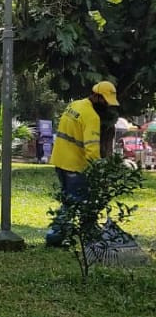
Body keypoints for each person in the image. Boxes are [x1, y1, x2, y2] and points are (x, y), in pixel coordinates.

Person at [45, 81, 119, 247]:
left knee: (70, 201)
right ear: (97, 96)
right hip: (74, 166)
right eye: (105, 101)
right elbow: (91, 148)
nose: (107, 106)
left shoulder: (75, 105)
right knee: (74, 202)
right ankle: (56, 237)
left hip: (60, 161)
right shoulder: (91, 116)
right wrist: (100, 173)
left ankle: (86, 233)